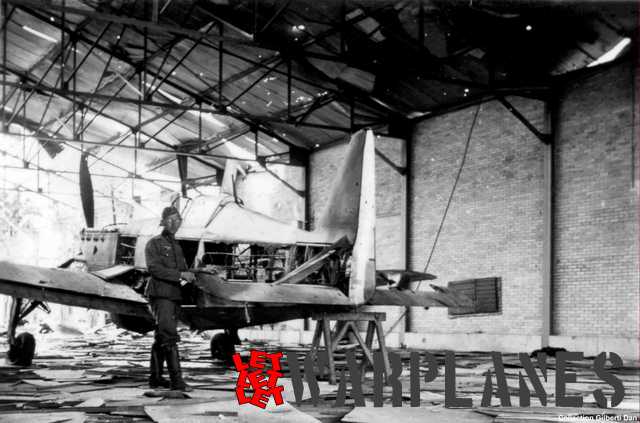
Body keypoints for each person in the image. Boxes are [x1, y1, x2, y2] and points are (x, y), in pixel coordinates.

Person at [145, 206, 196, 391]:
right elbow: (154, 269)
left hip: (173, 295)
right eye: (171, 220)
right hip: (160, 294)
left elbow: (182, 270)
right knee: (169, 336)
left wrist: (198, 272)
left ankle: (156, 379)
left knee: (161, 337)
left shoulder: (177, 246)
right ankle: (177, 381)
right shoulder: (154, 243)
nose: (175, 223)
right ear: (163, 221)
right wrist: (181, 275)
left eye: (178, 220)